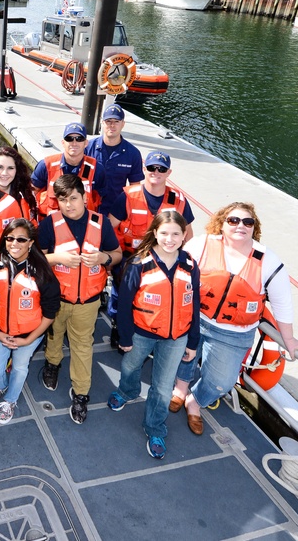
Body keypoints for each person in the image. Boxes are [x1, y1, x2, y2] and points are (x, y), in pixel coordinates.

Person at [170, 202, 298, 436]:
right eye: (233, 220)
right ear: (221, 224)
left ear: (254, 227)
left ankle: (196, 400)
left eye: (247, 222)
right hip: (194, 319)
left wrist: (289, 339)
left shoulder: (268, 262)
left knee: (222, 382)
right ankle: (180, 389)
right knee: (184, 357)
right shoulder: (201, 245)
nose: (240, 225)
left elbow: (283, 303)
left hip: (233, 332)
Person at [107, 212, 200, 460]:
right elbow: (124, 304)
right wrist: (125, 337)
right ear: (155, 233)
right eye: (164, 233)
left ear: (183, 236)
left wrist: (192, 341)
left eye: (176, 234)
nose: (170, 239)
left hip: (176, 337)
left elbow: (194, 305)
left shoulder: (190, 265)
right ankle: (127, 391)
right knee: (130, 365)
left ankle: (155, 427)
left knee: (162, 387)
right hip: (141, 332)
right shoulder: (138, 264)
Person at [36, 174, 122, 424]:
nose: (69, 204)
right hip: (56, 299)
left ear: (85, 197)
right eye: (62, 200)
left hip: (88, 302)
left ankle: (81, 393)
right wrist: (57, 259)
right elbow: (36, 258)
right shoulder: (49, 224)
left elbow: (116, 254)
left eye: (74, 198)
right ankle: (52, 365)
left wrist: (102, 259)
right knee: (53, 335)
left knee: (83, 346)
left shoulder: (101, 223)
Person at [105, 150, 195, 349]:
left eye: (161, 169)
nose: (156, 172)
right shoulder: (128, 196)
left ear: (168, 172)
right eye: (152, 168)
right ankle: (118, 326)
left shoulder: (178, 200)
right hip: (130, 257)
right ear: (144, 169)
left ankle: (151, 329)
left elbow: (188, 233)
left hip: (165, 258)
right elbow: (109, 227)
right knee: (121, 295)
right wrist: (112, 257)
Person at [0, 219, 60, 424]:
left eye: (21, 239)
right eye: (9, 238)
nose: (14, 243)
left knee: (19, 368)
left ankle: (10, 399)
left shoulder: (42, 273)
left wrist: (28, 341)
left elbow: (50, 313)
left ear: (31, 243)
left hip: (29, 335)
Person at [31, 122, 105, 216]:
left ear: (86, 143)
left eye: (79, 139)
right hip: (51, 225)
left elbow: (100, 199)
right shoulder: (46, 165)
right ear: (63, 142)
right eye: (69, 139)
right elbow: (32, 193)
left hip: (83, 225)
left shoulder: (97, 169)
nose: (74, 143)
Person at [84, 104, 144, 211]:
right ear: (102, 123)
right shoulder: (87, 148)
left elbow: (134, 188)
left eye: (116, 121)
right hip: (88, 207)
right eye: (108, 121)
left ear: (123, 124)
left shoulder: (133, 153)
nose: (112, 125)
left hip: (115, 210)